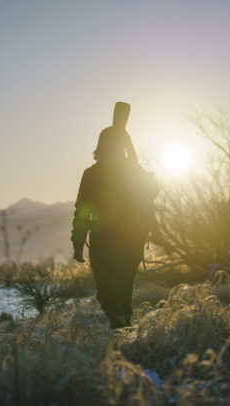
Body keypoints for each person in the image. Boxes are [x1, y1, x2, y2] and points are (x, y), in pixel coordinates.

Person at [71, 102, 158, 328]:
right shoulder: (92, 175)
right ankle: (121, 326)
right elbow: (82, 210)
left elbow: (148, 198)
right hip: (102, 240)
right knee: (106, 294)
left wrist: (155, 229)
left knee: (121, 288)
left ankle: (123, 331)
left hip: (130, 237)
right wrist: (78, 243)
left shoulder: (131, 171)